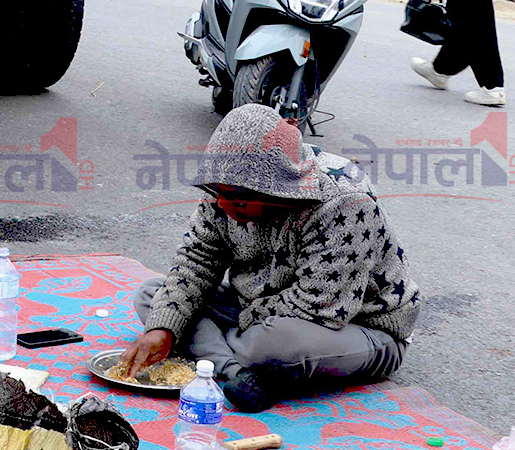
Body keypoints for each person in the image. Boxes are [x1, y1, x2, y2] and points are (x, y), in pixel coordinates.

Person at [118, 104, 419, 413]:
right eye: (219, 192)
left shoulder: (344, 201)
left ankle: (221, 355)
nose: (224, 203)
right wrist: (164, 330)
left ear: (276, 190)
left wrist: (230, 323)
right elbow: (197, 260)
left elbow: (321, 307)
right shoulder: (224, 184)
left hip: (354, 325)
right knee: (154, 297)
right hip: (259, 306)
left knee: (273, 344)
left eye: (238, 197)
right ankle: (237, 372)